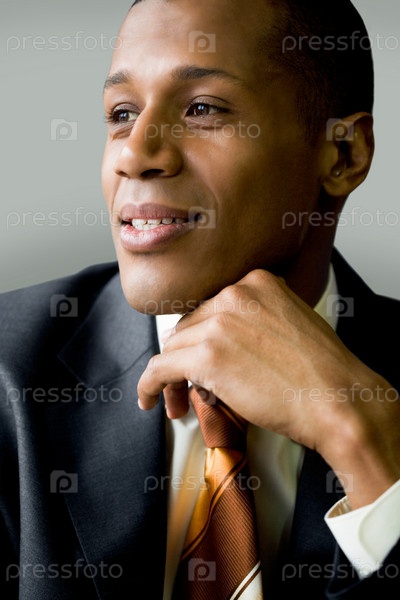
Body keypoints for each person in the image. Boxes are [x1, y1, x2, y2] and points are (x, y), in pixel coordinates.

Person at [1, 0, 399, 597]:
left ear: (343, 154)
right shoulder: (7, 374)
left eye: (202, 108)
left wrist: (367, 453)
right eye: (123, 113)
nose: (135, 154)